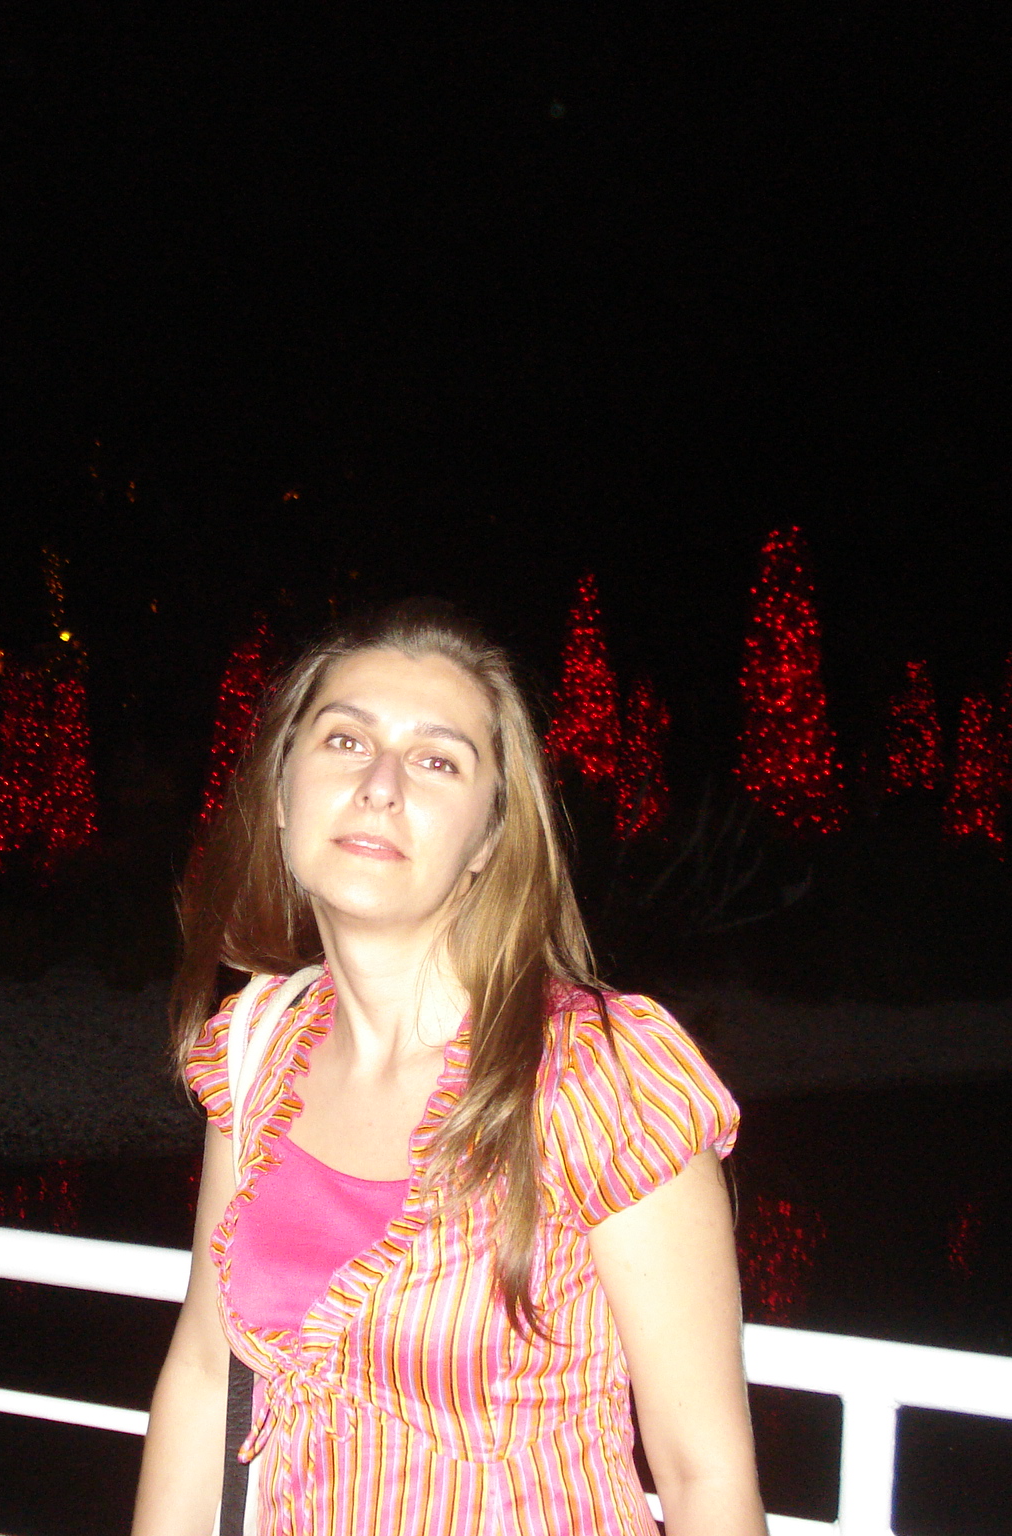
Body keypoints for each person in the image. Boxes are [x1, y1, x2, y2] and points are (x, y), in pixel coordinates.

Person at [132, 599, 766, 1536]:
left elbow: (704, 1474)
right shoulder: (259, 1048)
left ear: (486, 841)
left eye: (437, 760)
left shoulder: (598, 1073)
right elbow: (200, 1370)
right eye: (345, 741)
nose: (380, 785)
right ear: (282, 794)